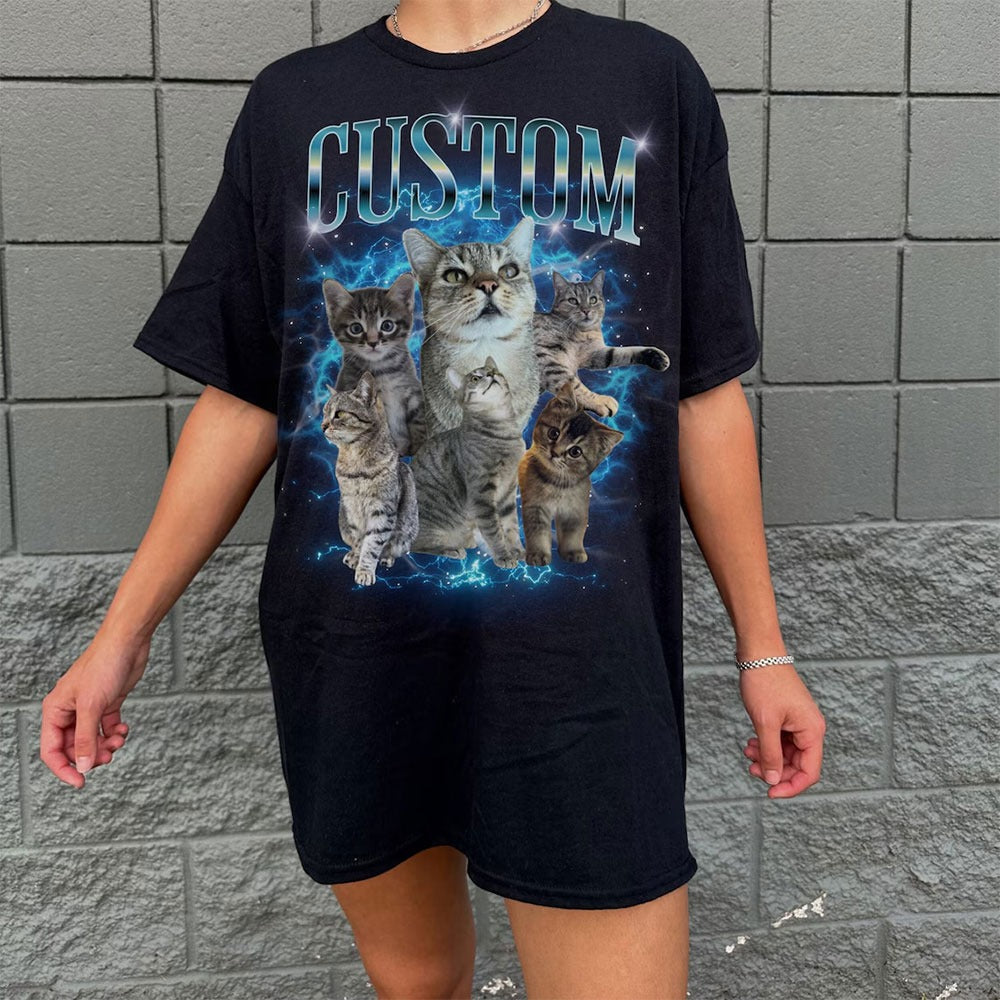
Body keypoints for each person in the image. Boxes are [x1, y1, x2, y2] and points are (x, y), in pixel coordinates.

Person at [39, 1, 827, 997]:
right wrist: (120, 635)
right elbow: (241, 396)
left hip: (583, 674)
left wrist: (766, 650)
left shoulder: (649, 80)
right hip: (362, 657)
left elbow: (705, 390)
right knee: (417, 983)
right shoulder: (295, 104)